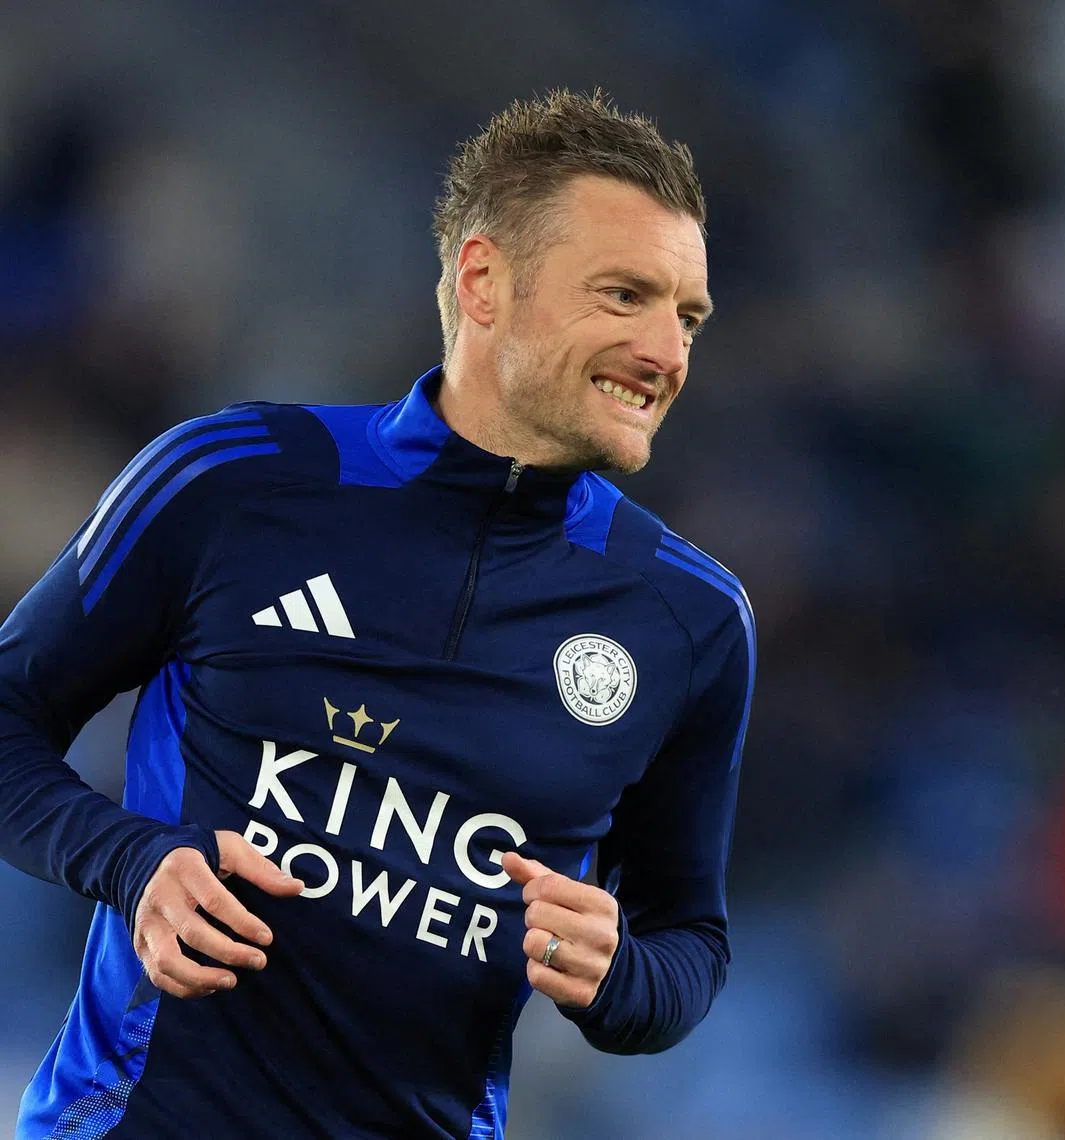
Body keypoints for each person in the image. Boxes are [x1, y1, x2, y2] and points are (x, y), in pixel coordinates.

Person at [0, 89, 755, 1139]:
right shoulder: (235, 480)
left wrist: (621, 973)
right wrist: (132, 861)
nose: (667, 353)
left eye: (688, 316)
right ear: (486, 280)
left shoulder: (690, 621)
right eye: (625, 295)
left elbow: (691, 946)